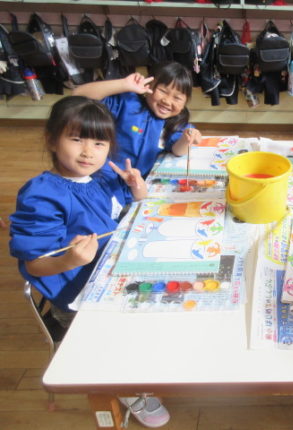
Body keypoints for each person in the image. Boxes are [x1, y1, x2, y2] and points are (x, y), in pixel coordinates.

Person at [9, 96, 169, 428]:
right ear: (51, 140)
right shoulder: (41, 195)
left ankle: (137, 365)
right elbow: (34, 264)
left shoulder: (104, 175)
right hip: (76, 291)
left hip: (113, 271)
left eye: (99, 143)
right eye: (76, 139)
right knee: (108, 350)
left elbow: (129, 206)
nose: (88, 152)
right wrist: (68, 260)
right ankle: (126, 389)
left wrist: (137, 188)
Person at [73, 61, 202, 178]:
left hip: (142, 183)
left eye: (177, 98)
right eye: (163, 91)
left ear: (185, 103)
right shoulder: (128, 102)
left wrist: (186, 140)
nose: (167, 101)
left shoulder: (177, 123)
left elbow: (177, 150)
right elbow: (78, 95)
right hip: (106, 177)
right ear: (149, 85)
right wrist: (123, 84)